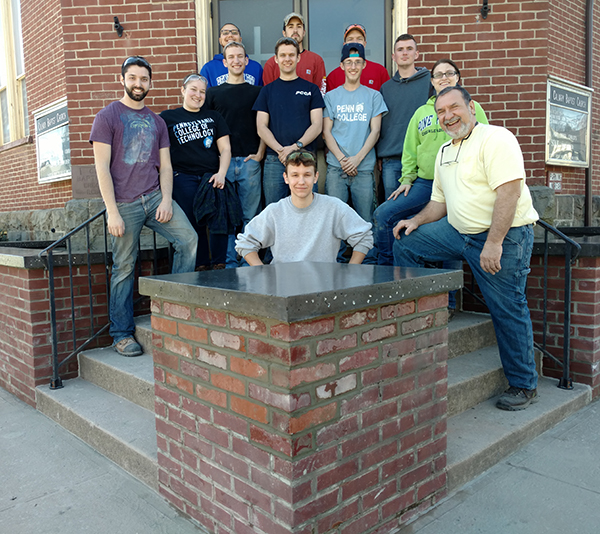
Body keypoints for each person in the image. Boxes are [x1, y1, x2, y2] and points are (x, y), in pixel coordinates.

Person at [393, 85, 540, 411]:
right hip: (458, 232)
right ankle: (423, 318)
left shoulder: (496, 138)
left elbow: (509, 194)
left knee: (507, 308)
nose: (448, 116)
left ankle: (523, 384)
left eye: (454, 108)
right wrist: (416, 220)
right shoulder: (444, 151)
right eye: (441, 112)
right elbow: (438, 203)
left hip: (503, 236)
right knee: (407, 242)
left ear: (471, 108)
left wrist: (493, 243)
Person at [90, 56, 197, 357]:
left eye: (144, 79)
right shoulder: (107, 116)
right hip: (124, 204)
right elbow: (101, 168)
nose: (138, 84)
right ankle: (121, 333)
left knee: (188, 240)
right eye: (133, 78)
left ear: (150, 83)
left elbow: (166, 166)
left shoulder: (157, 121)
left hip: (154, 197)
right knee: (124, 266)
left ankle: (173, 311)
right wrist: (112, 211)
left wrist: (166, 199)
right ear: (122, 80)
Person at [373, 59, 488, 268]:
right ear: (432, 81)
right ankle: (389, 272)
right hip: (426, 183)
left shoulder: (472, 108)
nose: (444, 78)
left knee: (451, 231)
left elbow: (484, 142)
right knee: (384, 214)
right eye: (438, 75)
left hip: (460, 183)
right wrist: (407, 179)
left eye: (449, 73)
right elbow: (410, 149)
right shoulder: (421, 112)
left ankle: (449, 289)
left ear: (457, 78)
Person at [235, 150, 373, 264]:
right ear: (286, 178)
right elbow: (245, 243)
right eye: (295, 175)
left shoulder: (333, 207)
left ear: (315, 177)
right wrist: (263, 274)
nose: (301, 181)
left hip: (324, 285)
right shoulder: (274, 212)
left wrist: (350, 273)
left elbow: (364, 237)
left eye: (307, 175)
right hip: (284, 286)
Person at [160, 74, 235, 270]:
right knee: (194, 221)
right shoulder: (167, 117)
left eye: (202, 91)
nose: (198, 95)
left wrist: (221, 173)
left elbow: (225, 149)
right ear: (183, 90)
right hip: (182, 177)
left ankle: (219, 265)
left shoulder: (214, 117)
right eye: (193, 89)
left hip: (211, 176)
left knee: (219, 220)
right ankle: (200, 265)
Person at [205, 41, 265, 268]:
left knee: (251, 215)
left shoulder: (258, 92)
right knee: (227, 215)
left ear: (247, 60)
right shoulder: (213, 94)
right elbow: (208, 129)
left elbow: (264, 125)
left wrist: (260, 153)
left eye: (240, 56)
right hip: (224, 164)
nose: (236, 61)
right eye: (231, 57)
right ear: (224, 62)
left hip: (250, 162)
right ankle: (230, 263)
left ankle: (250, 263)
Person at [323, 42, 387, 237]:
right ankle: (338, 256)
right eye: (349, 62)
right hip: (336, 169)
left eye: (358, 62)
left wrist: (357, 159)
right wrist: (343, 159)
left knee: (365, 222)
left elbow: (375, 131)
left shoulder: (374, 96)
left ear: (364, 65)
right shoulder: (331, 97)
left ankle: (367, 256)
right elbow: (326, 132)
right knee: (334, 222)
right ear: (341, 66)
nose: (353, 67)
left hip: (364, 169)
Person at [253, 37, 324, 207]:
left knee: (308, 208)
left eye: (291, 55)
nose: (287, 59)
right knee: (274, 210)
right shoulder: (267, 91)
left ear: (298, 58)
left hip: (305, 157)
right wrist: (281, 151)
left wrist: (294, 147)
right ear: (276, 59)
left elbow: (317, 125)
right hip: (274, 160)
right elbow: (261, 126)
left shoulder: (311, 89)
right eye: (283, 55)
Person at [377, 34, 431, 199]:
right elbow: (381, 124)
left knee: (421, 206)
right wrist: (380, 153)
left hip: (422, 157)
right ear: (393, 56)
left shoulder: (430, 82)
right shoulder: (386, 88)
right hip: (392, 159)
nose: (405, 53)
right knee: (392, 206)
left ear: (417, 54)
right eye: (400, 50)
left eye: (409, 49)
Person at [262, 13, 327, 95]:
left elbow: (320, 93)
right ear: (284, 33)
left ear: (304, 32)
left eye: (299, 26)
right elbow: (268, 95)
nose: (295, 30)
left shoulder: (316, 60)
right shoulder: (272, 63)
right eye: (291, 27)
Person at [326, 24, 390, 92]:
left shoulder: (379, 71)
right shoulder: (333, 76)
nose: (355, 42)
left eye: (359, 39)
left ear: (364, 43)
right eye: (350, 39)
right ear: (344, 44)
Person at [200, 22, 263, 87]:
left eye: (234, 33)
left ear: (240, 39)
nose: (230, 35)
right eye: (225, 33)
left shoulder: (256, 67)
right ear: (220, 41)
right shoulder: (209, 68)